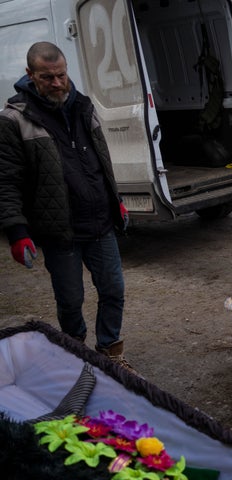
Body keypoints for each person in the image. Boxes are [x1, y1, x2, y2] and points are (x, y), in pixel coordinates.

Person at [0, 42, 137, 374]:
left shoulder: (83, 106)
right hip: (59, 230)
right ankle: (77, 359)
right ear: (30, 75)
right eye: (48, 78)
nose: (58, 83)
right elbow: (6, 180)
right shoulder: (14, 120)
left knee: (113, 290)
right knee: (70, 301)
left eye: (61, 75)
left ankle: (109, 353)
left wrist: (116, 200)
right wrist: (17, 231)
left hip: (100, 221)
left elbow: (100, 160)